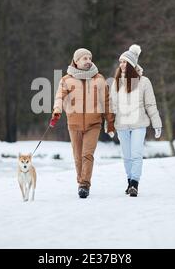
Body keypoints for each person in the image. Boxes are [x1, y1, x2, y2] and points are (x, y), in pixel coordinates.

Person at [52, 48, 115, 198]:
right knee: (78, 156)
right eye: (84, 58)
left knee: (87, 154)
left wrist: (110, 122)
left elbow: (107, 102)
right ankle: (81, 180)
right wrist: (57, 110)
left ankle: (84, 185)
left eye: (89, 58)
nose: (88, 61)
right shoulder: (66, 80)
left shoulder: (99, 79)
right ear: (76, 61)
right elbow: (59, 97)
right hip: (74, 124)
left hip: (94, 124)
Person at [110, 44, 162, 197]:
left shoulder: (144, 82)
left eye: (125, 62)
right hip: (121, 125)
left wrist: (157, 123)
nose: (122, 64)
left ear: (132, 64)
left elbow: (151, 104)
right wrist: (109, 125)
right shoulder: (116, 82)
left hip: (139, 124)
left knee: (136, 154)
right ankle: (129, 181)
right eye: (120, 62)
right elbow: (111, 106)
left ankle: (134, 184)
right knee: (126, 155)